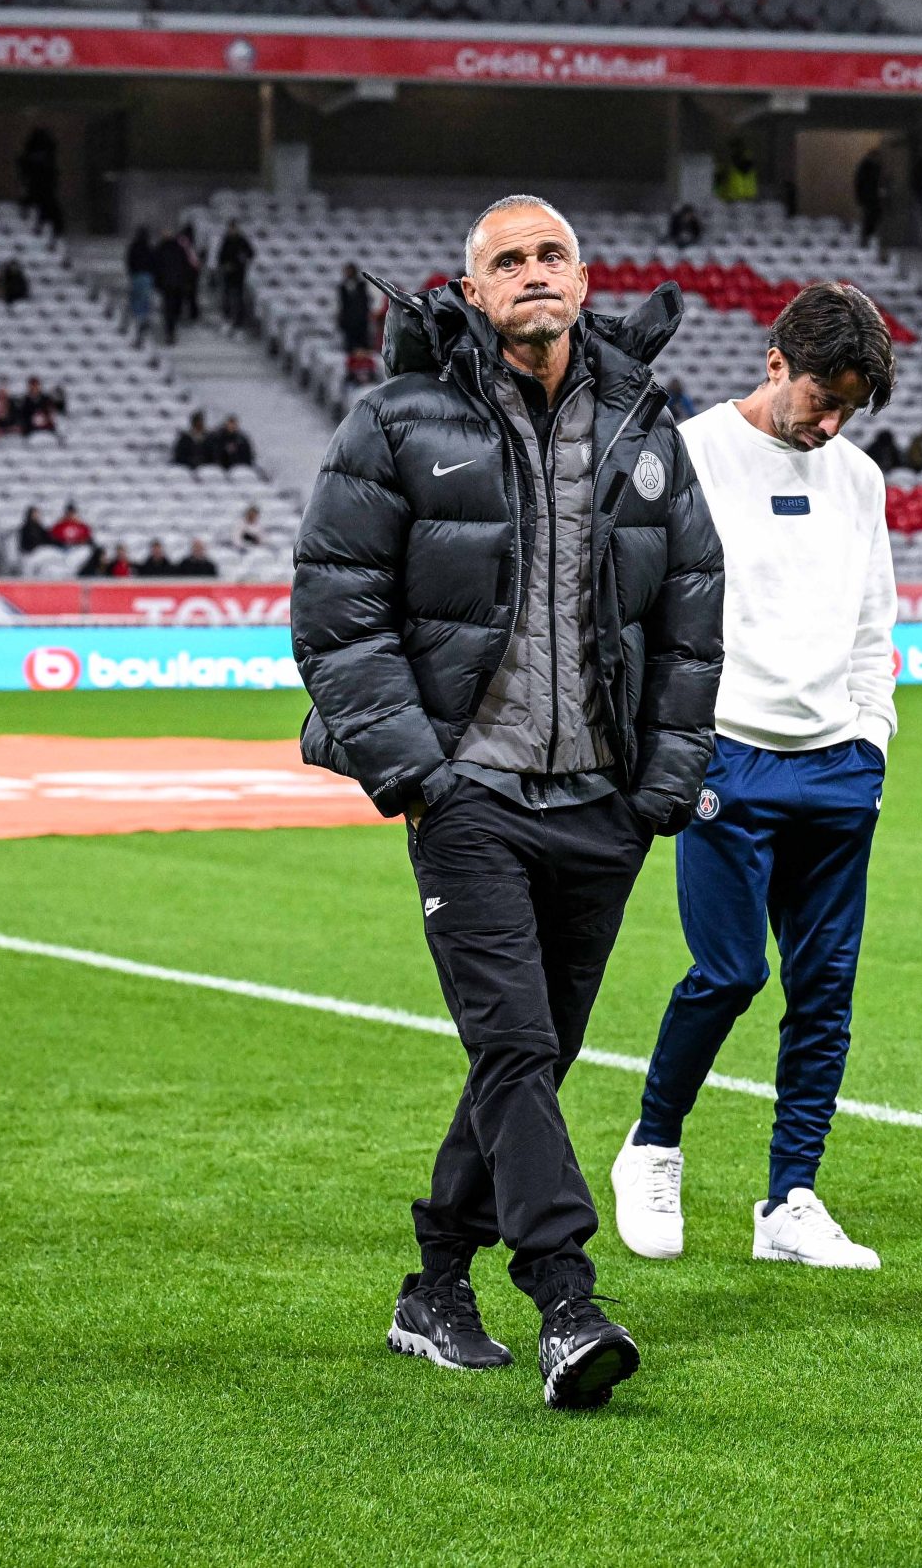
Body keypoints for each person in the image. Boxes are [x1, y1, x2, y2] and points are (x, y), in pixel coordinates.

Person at [291, 193, 723, 1410]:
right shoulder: (394, 421)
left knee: (535, 1054)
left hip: (603, 800)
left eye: (553, 256)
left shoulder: (647, 422)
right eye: (508, 261)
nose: (534, 274)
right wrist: (419, 771)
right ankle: (566, 1299)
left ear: (585, 282)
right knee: (517, 1046)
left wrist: (663, 786)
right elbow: (336, 609)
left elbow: (691, 608)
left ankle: (433, 1281)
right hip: (467, 792)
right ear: (471, 290)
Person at [610, 281, 900, 1274]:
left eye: (847, 409)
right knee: (730, 971)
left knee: (824, 990)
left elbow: (874, 623)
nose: (828, 423)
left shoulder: (858, 479)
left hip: (836, 765)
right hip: (724, 754)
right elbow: (639, 608)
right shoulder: (687, 456)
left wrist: (872, 740)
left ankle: (790, 1198)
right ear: (777, 363)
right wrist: (669, 740)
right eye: (821, 398)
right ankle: (652, 1144)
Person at [216, 221, 256, 327]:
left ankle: (239, 321)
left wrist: (243, 259)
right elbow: (220, 257)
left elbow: (251, 253)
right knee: (227, 297)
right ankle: (227, 317)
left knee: (238, 297)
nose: (232, 231)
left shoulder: (242, 240)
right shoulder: (226, 240)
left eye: (233, 228)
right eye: (230, 228)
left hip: (239, 273)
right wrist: (225, 265)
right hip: (228, 273)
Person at [125, 228, 157, 341]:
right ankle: (143, 319)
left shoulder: (133, 247)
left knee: (136, 299)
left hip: (136, 275)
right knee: (144, 300)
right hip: (146, 276)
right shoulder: (149, 248)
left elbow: (129, 261)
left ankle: (137, 319)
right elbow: (154, 262)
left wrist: (131, 272)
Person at [335, 263, 373, 357]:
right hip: (348, 321)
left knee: (363, 343)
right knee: (350, 345)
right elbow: (340, 304)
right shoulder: (342, 286)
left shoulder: (363, 285)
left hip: (361, 319)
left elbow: (368, 300)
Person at [853, 147, 887, 245]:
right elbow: (859, 183)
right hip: (868, 197)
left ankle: (870, 237)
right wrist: (860, 197)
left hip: (874, 197)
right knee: (868, 218)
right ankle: (866, 239)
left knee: (875, 217)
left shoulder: (877, 167)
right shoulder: (865, 167)